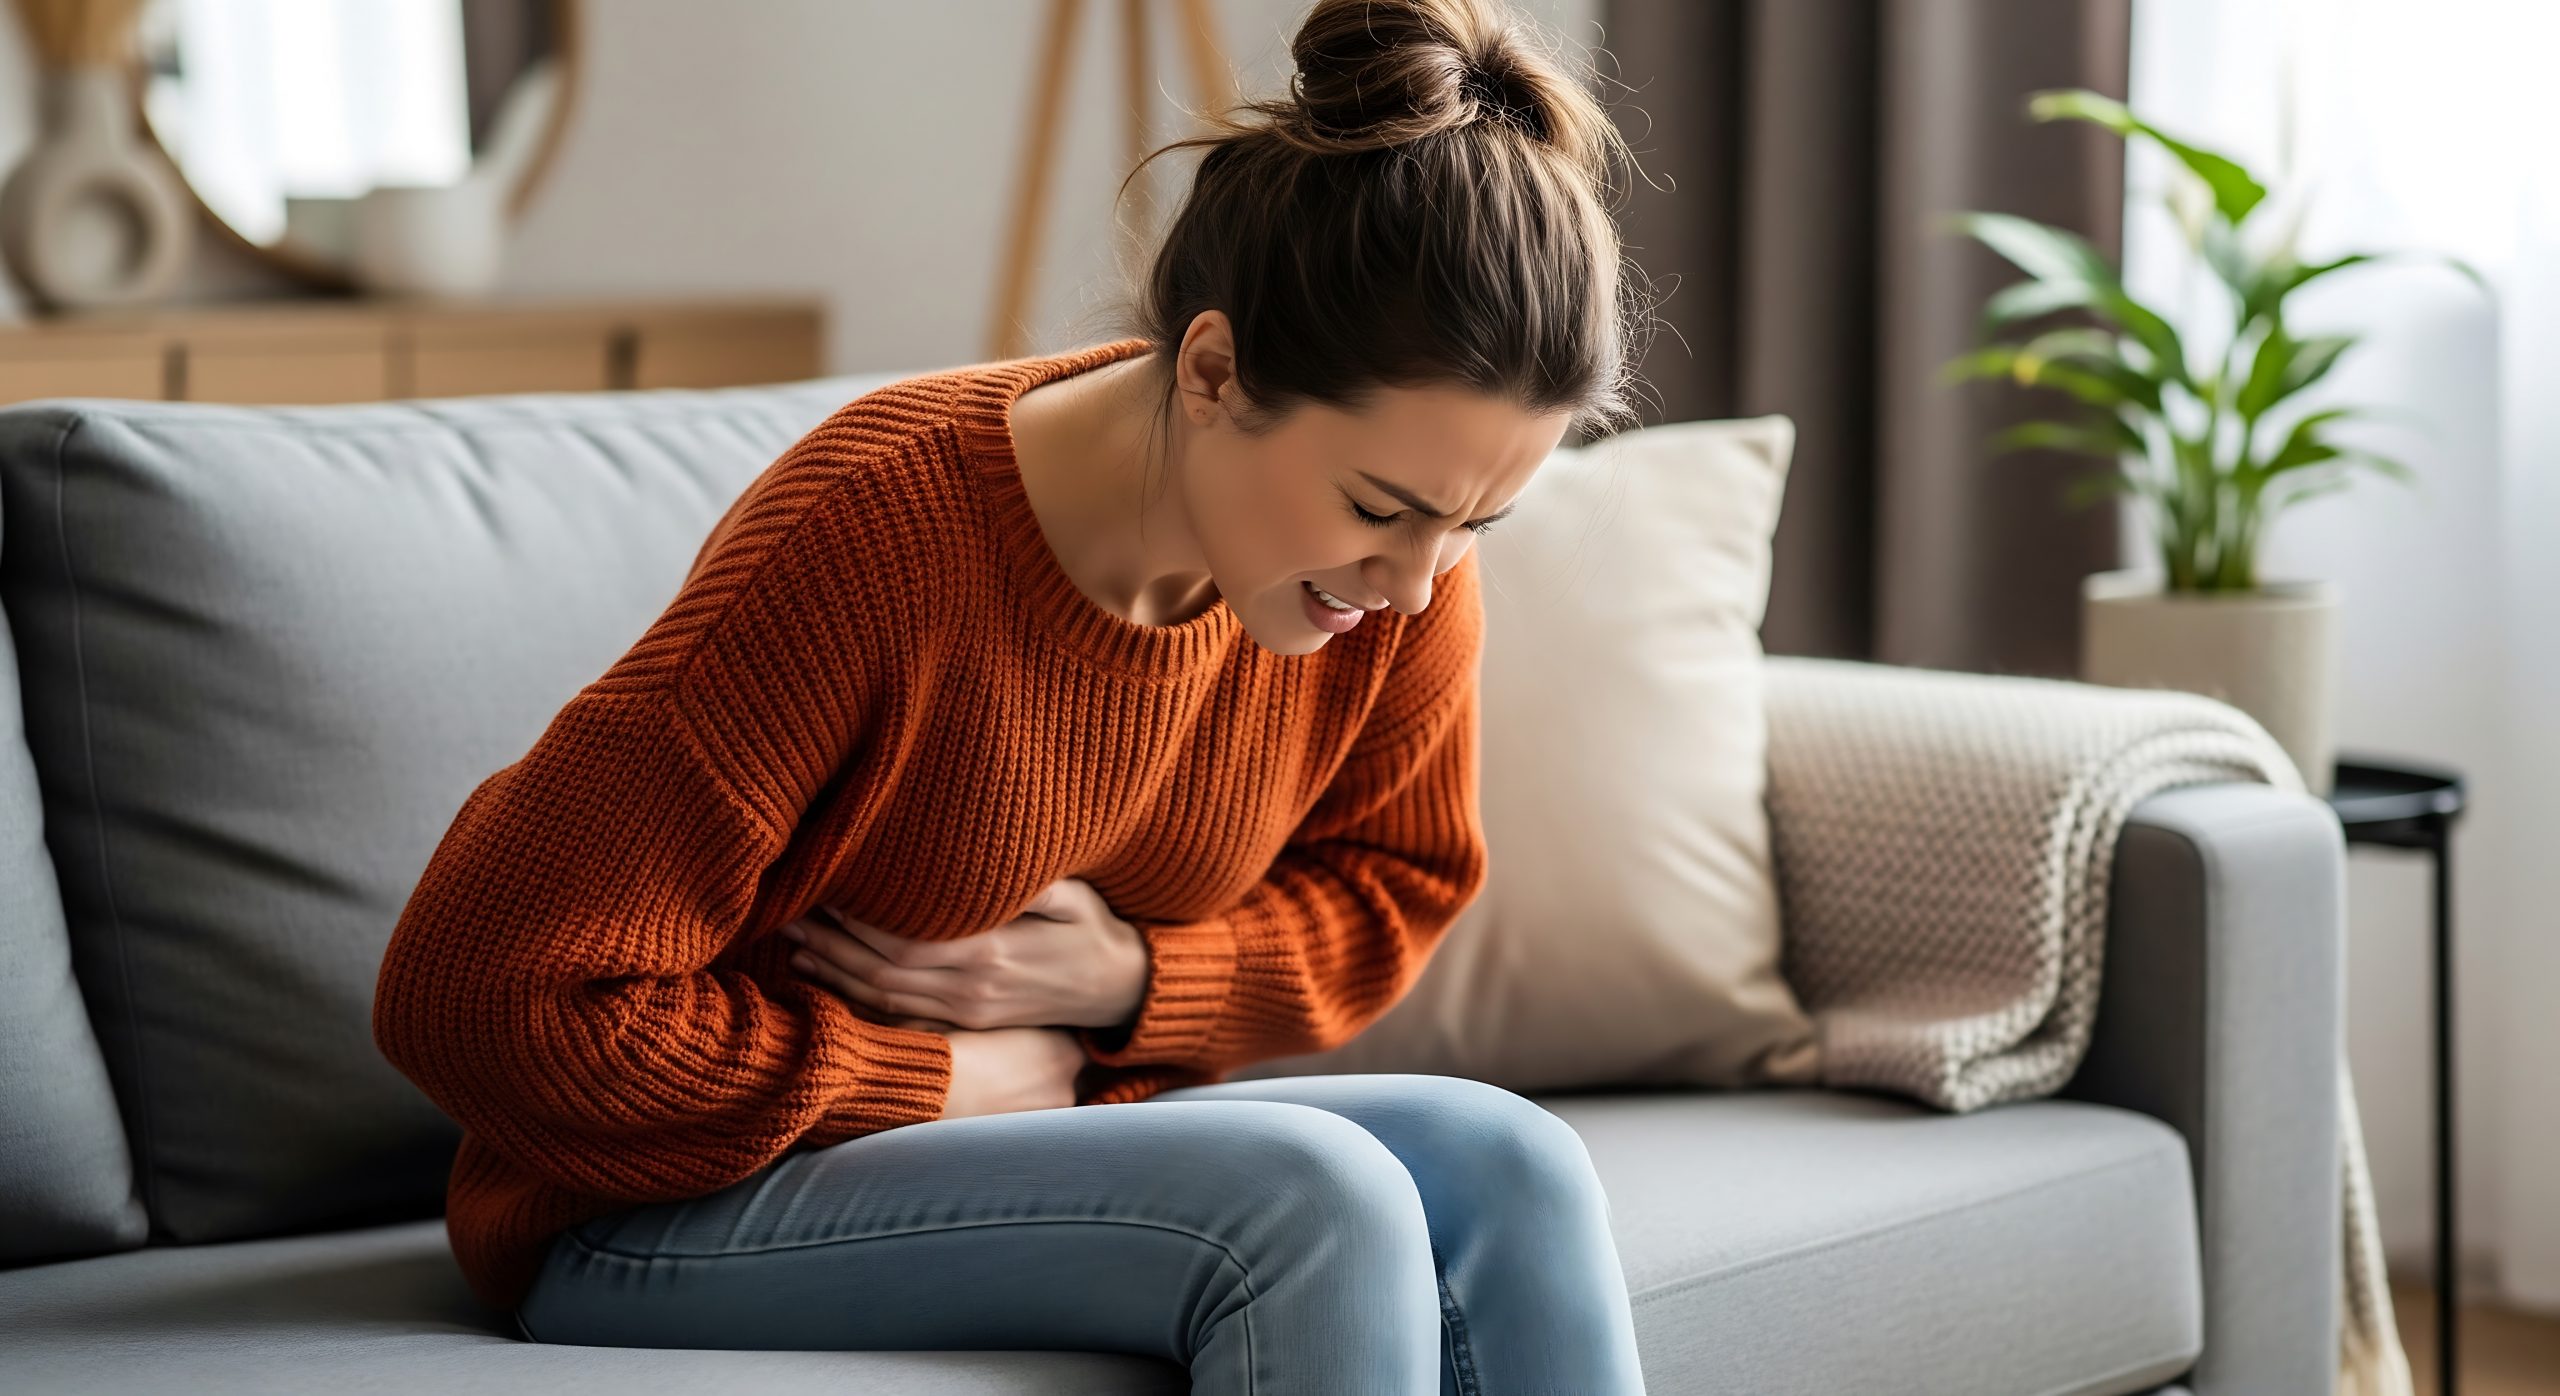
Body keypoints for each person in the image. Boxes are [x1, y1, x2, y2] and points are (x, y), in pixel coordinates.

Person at [371, 0, 1657, 1389]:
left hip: (1033, 1133)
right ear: (1216, 372)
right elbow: (478, 995)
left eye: (1475, 526)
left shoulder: (1394, 575)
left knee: (1515, 1166)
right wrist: (922, 1081)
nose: (1415, 586)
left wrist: (1133, 980)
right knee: (1317, 1202)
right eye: (1382, 509)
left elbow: (1390, 884)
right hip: (653, 1209)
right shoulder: (877, 536)